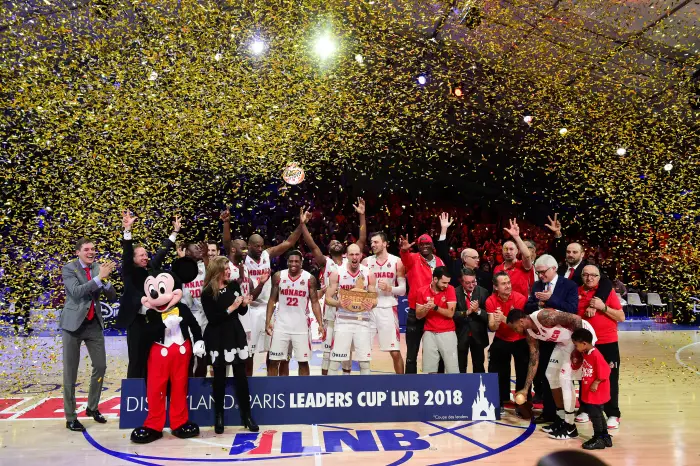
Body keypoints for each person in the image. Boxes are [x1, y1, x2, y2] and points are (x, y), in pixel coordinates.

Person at [297, 200, 367, 375]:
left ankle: (345, 382)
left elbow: (362, 239)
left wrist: (362, 215)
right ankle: (325, 383)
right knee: (328, 351)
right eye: (332, 242)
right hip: (331, 311)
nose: (335, 242)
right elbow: (311, 244)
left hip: (350, 310)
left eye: (338, 242)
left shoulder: (351, 259)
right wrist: (303, 224)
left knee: (346, 353)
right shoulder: (325, 262)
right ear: (328, 249)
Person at [507, 308, 597, 440]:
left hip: (581, 337)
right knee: (550, 374)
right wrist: (526, 389)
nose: (515, 332)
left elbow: (576, 319)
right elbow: (534, 360)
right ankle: (561, 419)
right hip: (564, 342)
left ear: (521, 321)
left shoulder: (543, 317)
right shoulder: (530, 334)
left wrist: (578, 350)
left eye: (515, 328)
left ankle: (570, 426)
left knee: (564, 378)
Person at [239, 209, 307, 375]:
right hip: (250, 309)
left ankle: (274, 381)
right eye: (257, 246)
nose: (260, 248)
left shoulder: (266, 255)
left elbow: (289, 243)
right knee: (249, 352)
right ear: (249, 246)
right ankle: (249, 383)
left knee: (275, 351)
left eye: (262, 245)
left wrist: (301, 224)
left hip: (268, 308)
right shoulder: (243, 259)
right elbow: (228, 245)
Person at [60, 237, 117, 432]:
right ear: (78, 252)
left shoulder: (97, 268)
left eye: (93, 249)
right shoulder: (69, 269)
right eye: (86, 249)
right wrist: (99, 278)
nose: (91, 252)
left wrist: (106, 283)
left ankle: (92, 407)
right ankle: (70, 417)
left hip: (93, 324)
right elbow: (76, 292)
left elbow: (112, 296)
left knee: (100, 366)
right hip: (73, 326)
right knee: (71, 371)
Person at [117, 211, 180, 379]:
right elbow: (127, 252)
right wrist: (128, 230)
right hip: (136, 322)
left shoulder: (151, 269)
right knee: (136, 360)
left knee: (153, 358)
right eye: (141, 255)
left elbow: (161, 252)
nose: (145, 257)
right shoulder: (129, 271)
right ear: (134, 258)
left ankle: (151, 392)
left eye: (146, 254)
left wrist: (174, 233)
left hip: (153, 320)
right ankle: (134, 396)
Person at [200, 256, 257, 434]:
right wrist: (231, 308)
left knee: (241, 376)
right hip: (217, 335)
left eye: (228, 268)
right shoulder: (207, 292)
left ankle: (247, 416)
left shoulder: (233, 285)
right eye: (225, 268)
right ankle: (219, 417)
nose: (228, 271)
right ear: (216, 270)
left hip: (235, 333)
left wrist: (243, 304)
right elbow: (213, 319)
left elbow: (241, 310)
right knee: (219, 378)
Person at [524, 254, 579, 422]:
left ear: (554, 268)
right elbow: (528, 306)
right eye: (538, 272)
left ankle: (564, 415)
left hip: (565, 339)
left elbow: (572, 309)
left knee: (563, 377)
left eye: (543, 272)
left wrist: (551, 300)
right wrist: (538, 304)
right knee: (546, 376)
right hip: (545, 337)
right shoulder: (537, 285)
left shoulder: (569, 285)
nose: (540, 276)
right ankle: (549, 413)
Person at [576, 265, 625, 429]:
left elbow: (621, 316)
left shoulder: (606, 293)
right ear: (582, 276)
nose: (589, 278)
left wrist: (602, 307)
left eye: (593, 275)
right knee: (586, 377)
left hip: (607, 342)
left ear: (599, 277)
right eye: (586, 275)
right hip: (586, 346)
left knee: (610, 378)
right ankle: (585, 409)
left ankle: (613, 413)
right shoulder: (576, 292)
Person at [265, 250, 325, 376]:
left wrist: (320, 323)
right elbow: (271, 300)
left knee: (303, 362)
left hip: (301, 327)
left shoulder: (309, 278)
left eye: (296, 261)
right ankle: (273, 391)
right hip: (281, 326)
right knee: (274, 361)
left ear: (301, 263)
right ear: (287, 262)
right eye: (291, 261)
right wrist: (268, 322)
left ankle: (303, 390)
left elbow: (314, 302)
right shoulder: (278, 276)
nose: (293, 264)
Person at [325, 244, 376, 375]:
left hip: (362, 322)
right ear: (346, 256)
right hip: (343, 322)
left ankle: (365, 391)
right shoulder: (337, 273)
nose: (354, 257)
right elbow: (328, 298)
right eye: (351, 254)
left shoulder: (369, 274)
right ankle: (333, 391)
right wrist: (339, 303)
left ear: (361, 256)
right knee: (335, 361)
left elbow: (374, 299)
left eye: (357, 254)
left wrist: (371, 304)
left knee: (364, 362)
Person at [400, 232, 446, 374]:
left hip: (434, 312)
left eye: (427, 244)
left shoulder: (440, 262)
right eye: (421, 244)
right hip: (416, 311)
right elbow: (405, 258)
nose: (424, 246)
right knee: (411, 354)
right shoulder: (413, 258)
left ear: (432, 246)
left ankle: (437, 383)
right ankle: (410, 386)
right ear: (418, 247)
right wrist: (404, 250)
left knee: (437, 351)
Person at [363, 231, 406, 374]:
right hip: (368, 308)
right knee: (363, 351)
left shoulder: (397, 261)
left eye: (376, 242)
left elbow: (403, 290)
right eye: (371, 242)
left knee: (394, 351)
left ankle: (402, 385)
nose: (372, 245)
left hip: (388, 307)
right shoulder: (366, 262)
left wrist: (389, 288)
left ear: (385, 243)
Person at [486, 272, 528, 413]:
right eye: (503, 283)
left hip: (520, 338)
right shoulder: (490, 300)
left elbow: (520, 327)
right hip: (502, 337)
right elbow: (492, 327)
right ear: (496, 287)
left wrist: (504, 318)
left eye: (508, 282)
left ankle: (521, 403)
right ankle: (501, 400)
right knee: (499, 369)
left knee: (522, 372)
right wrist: (496, 322)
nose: (508, 286)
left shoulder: (520, 299)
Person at [571, 328, 614, 450]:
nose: (575, 347)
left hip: (596, 392)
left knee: (595, 415)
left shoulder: (595, 354)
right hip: (591, 391)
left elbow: (606, 370)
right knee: (598, 414)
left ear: (584, 344)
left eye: (576, 345)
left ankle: (598, 437)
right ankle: (605, 436)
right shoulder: (586, 353)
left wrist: (596, 382)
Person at [416, 267, 458, 373]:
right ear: (435, 279)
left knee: (452, 368)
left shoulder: (450, 289)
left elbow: (450, 313)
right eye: (444, 282)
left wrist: (435, 307)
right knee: (428, 369)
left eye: (448, 282)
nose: (446, 285)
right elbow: (418, 315)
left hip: (447, 332)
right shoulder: (422, 291)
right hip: (429, 333)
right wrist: (426, 308)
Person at [178, 242, 209, 377]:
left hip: (205, 315)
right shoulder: (181, 268)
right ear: (188, 253)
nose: (199, 249)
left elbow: (213, 273)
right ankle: (188, 383)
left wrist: (206, 256)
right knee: (189, 353)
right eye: (195, 248)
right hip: (189, 315)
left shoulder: (204, 266)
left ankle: (200, 384)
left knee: (203, 354)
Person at [435, 213, 490, 289]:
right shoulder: (454, 267)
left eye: (478, 258)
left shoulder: (481, 275)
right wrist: (444, 229)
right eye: (474, 257)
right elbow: (442, 252)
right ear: (465, 258)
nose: (478, 260)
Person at [454, 268, 489, 373]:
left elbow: (488, 316)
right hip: (460, 335)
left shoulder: (484, 292)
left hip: (478, 335)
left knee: (479, 366)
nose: (471, 285)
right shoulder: (454, 292)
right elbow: (452, 315)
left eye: (473, 282)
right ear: (461, 281)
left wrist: (478, 310)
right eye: (468, 283)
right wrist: (467, 312)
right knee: (460, 366)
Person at [493, 219, 533, 297]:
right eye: (505, 249)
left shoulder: (523, 265)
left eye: (511, 249)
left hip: (520, 306)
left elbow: (527, 256)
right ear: (502, 251)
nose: (508, 252)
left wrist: (517, 237)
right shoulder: (497, 268)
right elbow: (495, 289)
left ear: (517, 251)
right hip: (501, 306)